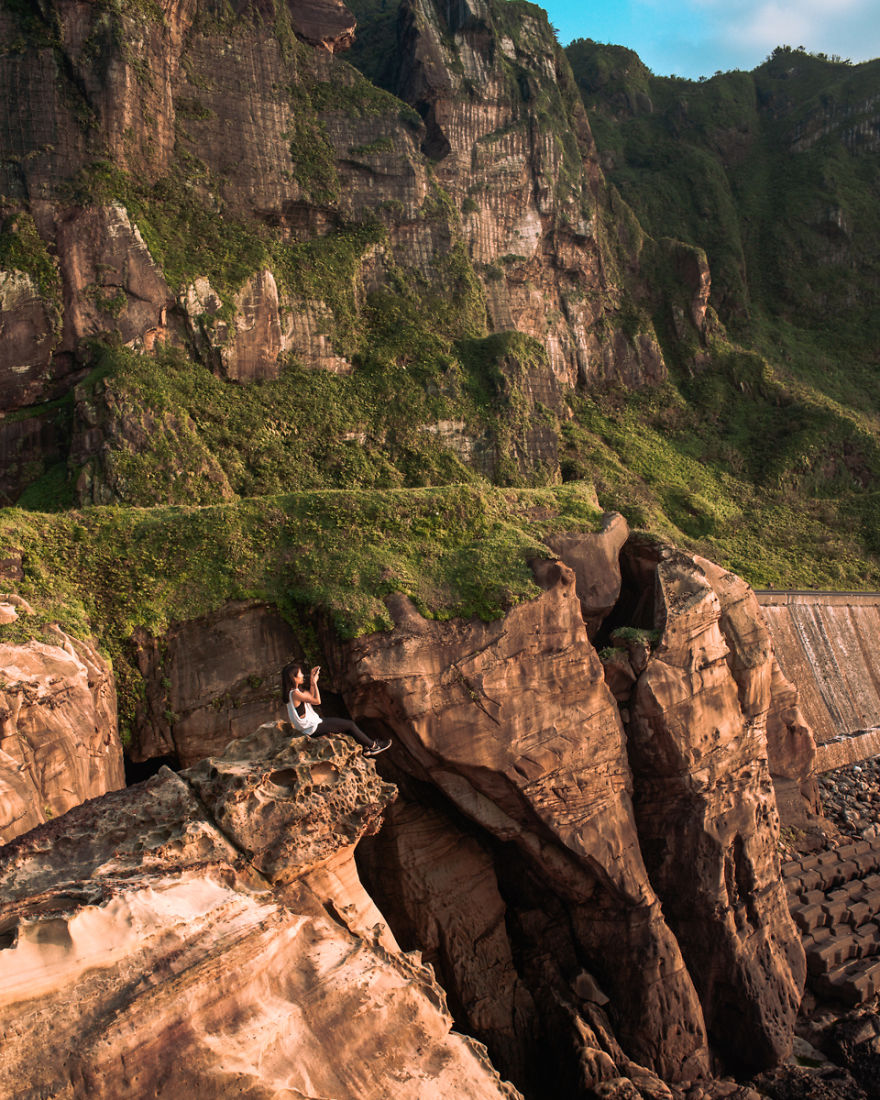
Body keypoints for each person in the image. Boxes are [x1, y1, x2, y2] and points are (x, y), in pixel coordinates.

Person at [281, 661, 391, 756]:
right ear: (293, 677)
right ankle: (373, 747)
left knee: (344, 726)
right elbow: (317, 701)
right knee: (350, 725)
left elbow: (311, 695)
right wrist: (314, 682)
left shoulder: (293, 693)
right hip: (312, 728)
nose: (302, 675)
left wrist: (312, 681)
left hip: (310, 726)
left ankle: (367, 747)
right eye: (300, 673)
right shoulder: (295, 693)